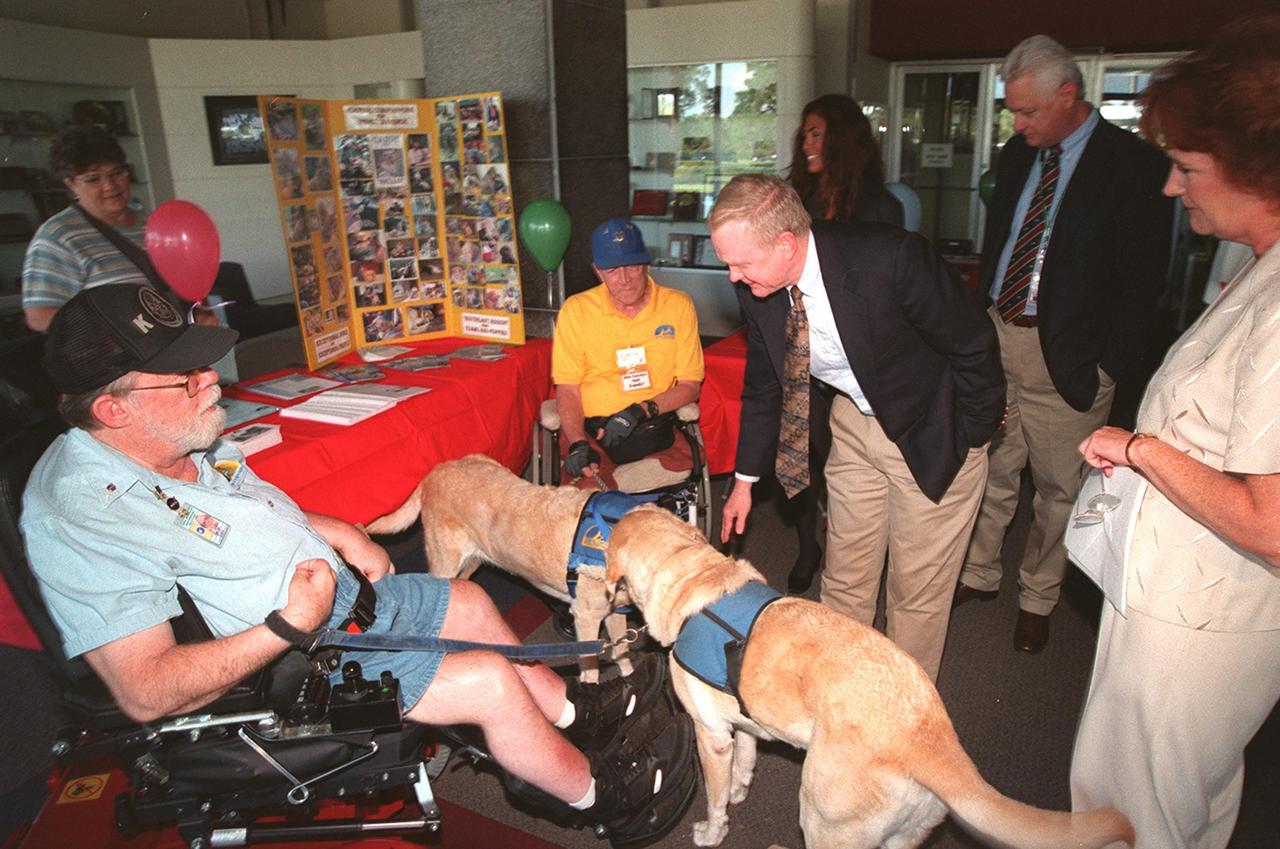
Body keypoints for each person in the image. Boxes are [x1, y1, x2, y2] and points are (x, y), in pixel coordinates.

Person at [20, 284, 696, 845]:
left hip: (340, 606)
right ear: (112, 408)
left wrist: (341, 530)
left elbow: (248, 508)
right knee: (488, 680)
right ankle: (598, 795)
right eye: (185, 375)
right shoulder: (84, 514)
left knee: (471, 605)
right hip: (295, 664)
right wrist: (288, 626)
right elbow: (147, 690)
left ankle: (572, 720)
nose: (211, 383)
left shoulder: (172, 437)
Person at [1069, 19, 1280, 849]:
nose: (1170, 187)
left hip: (1200, 621)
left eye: (1189, 167)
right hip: (1201, 601)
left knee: (1128, 812)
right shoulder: (1256, 263)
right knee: (1191, 802)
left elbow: (1270, 518)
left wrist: (1139, 449)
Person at [712, 174, 1005, 681]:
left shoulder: (889, 259)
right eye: (728, 264)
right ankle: (841, 695)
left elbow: (974, 342)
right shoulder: (761, 288)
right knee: (845, 580)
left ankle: (900, 724)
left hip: (931, 426)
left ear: (786, 243)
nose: (735, 277)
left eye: (742, 263)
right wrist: (744, 482)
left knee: (915, 595)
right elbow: (764, 384)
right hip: (853, 425)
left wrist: (974, 432)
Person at [955, 34, 1173, 654]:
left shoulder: (1135, 166)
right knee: (995, 466)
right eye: (1012, 112)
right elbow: (998, 244)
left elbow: (1144, 287)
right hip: (1002, 336)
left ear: (1068, 95)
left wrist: (1108, 367)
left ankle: (1038, 596)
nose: (1017, 124)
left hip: (1072, 355)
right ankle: (979, 572)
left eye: (1028, 111)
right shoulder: (1018, 154)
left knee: (1058, 486)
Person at [782, 93, 904, 594]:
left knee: (848, 461)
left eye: (817, 132)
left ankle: (847, 545)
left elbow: (888, 290)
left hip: (856, 358)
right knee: (803, 454)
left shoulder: (881, 206)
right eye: (805, 133)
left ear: (842, 139)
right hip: (802, 350)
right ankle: (808, 545)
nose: (807, 142)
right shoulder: (794, 198)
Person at [551, 218, 704, 489]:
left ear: (646, 263)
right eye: (612, 270)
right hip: (592, 432)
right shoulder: (576, 311)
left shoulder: (677, 305)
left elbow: (690, 385)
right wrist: (577, 442)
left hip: (652, 428)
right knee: (585, 499)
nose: (624, 279)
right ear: (597, 271)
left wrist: (639, 411)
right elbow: (568, 389)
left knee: (677, 470)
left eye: (632, 266)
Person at [21, 126, 149, 332]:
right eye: (93, 179)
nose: (110, 186)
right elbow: (39, 317)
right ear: (71, 184)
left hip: (175, 354)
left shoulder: (151, 224)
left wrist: (198, 311)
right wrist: (116, 327)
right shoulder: (58, 237)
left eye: (117, 173)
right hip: (115, 361)